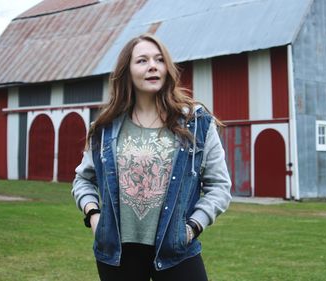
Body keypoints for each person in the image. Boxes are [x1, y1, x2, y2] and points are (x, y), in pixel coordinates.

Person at [72, 33, 232, 281]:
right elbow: (83, 179)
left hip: (176, 250)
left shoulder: (196, 123)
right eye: (142, 61)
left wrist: (192, 228)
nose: (153, 66)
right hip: (117, 253)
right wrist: (93, 216)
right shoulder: (105, 128)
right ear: (127, 71)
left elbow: (219, 186)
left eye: (159, 60)